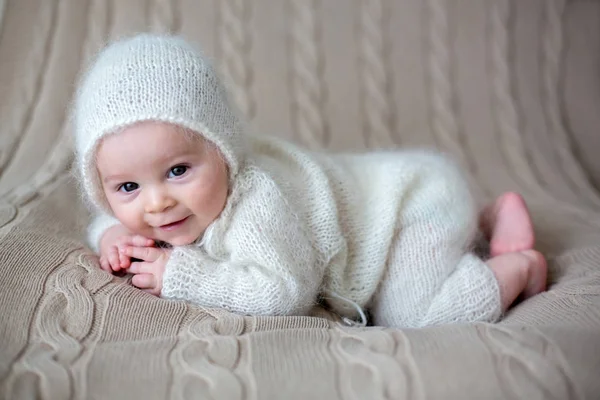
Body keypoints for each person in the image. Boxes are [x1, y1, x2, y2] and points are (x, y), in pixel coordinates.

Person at [71, 33, 547, 328]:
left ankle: (517, 266)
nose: (155, 206)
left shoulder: (256, 203)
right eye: (127, 188)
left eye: (178, 171)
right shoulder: (168, 208)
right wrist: (112, 232)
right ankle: (486, 220)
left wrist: (180, 274)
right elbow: (116, 218)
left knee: (420, 319)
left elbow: (284, 292)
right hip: (399, 196)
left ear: (223, 151)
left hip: (411, 206)